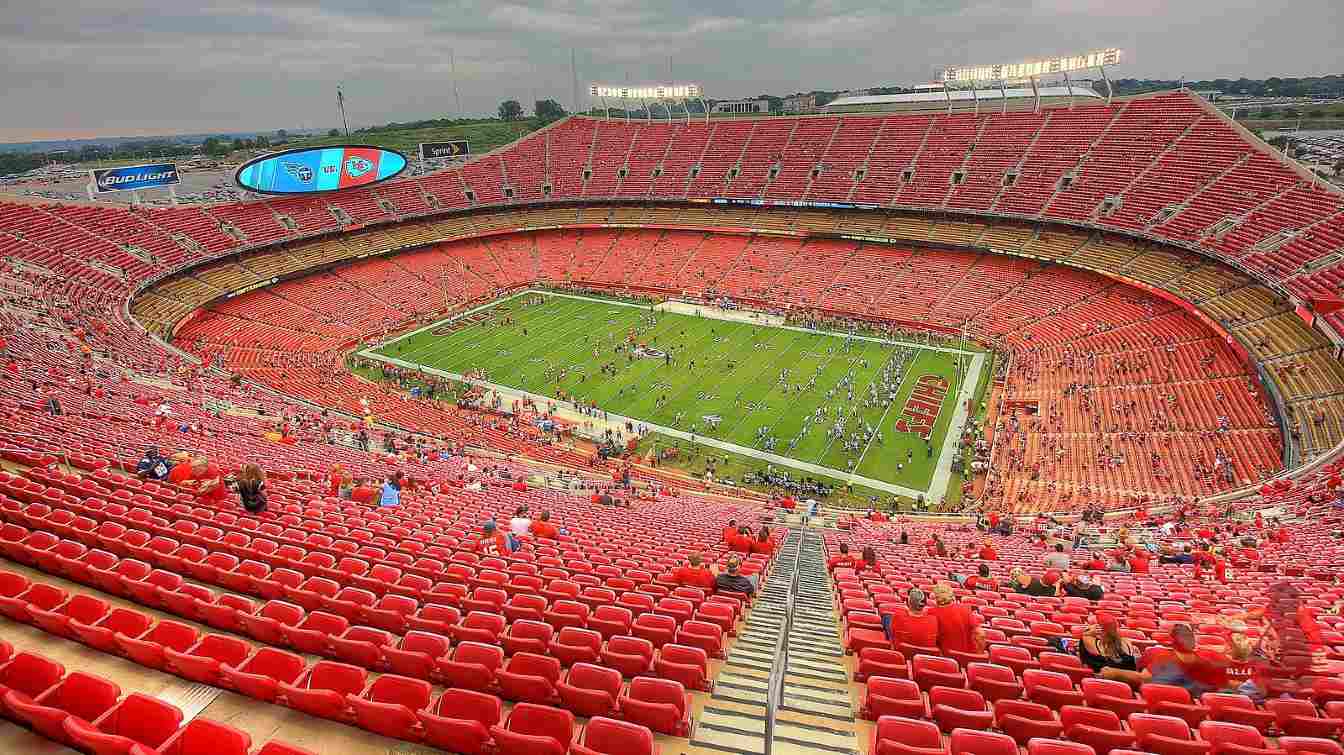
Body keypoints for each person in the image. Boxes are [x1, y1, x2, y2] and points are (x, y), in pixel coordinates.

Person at [1102, 623, 1228, 696]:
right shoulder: (1208, 658)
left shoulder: (1162, 657)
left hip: (1161, 703)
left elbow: (1143, 677)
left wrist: (1113, 672)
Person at [929, 582, 981, 655]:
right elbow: (980, 634)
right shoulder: (965, 608)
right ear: (952, 595)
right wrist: (979, 654)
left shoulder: (931, 612)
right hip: (969, 658)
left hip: (946, 658)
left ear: (936, 598)